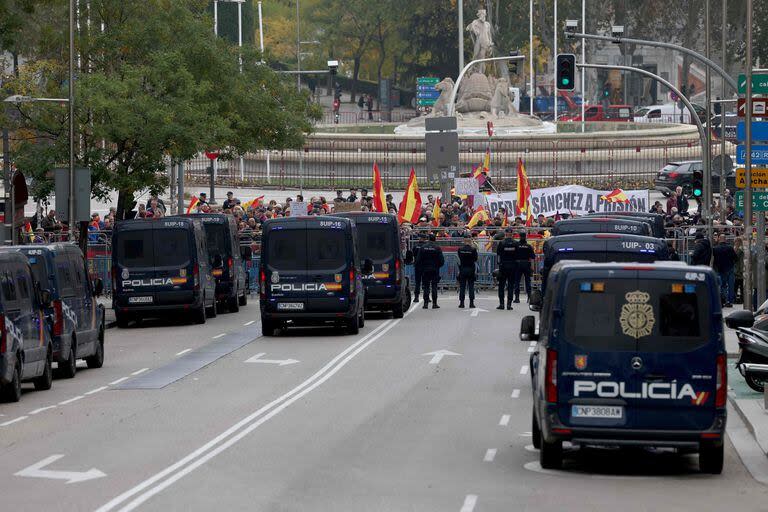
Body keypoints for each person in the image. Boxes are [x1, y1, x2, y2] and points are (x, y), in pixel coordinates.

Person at [415, 233, 444, 309]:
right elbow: (442, 261)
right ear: (435, 239)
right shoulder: (437, 248)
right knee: (434, 286)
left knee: (426, 286)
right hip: (434, 269)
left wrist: (422, 267)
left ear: (428, 239)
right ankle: (434, 304)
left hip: (425, 269)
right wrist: (437, 266)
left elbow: (418, 260)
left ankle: (425, 304)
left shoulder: (423, 247)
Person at [496, 227, 518, 310]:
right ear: (512, 234)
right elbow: (517, 255)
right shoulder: (515, 243)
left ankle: (501, 304)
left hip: (503, 266)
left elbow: (498, 256)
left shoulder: (502, 243)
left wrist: (499, 265)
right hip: (512, 266)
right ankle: (509, 304)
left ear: (505, 234)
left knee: (501, 285)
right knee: (511, 286)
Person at [712, 234, 737, 307]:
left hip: (720, 269)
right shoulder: (730, 248)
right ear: (725, 239)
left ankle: (724, 300)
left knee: (723, 286)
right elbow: (735, 258)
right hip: (730, 268)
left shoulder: (715, 248)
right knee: (731, 285)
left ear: (719, 239)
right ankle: (730, 301)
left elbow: (714, 260)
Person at [513, 230, 534, 303]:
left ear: (519, 237)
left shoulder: (516, 245)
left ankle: (517, 298)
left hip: (518, 264)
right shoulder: (529, 246)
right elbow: (533, 257)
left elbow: (513, 255)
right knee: (528, 281)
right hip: (526, 264)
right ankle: (529, 297)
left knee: (517, 281)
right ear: (526, 237)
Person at [457, 234, 478, 308]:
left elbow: (460, 257)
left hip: (463, 268)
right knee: (471, 286)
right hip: (471, 268)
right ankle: (471, 303)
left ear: (464, 241)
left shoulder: (460, 249)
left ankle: (462, 303)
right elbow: (475, 259)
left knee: (462, 286)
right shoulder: (473, 249)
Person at [412, 233, 426, 303]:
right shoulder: (425, 246)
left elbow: (413, 254)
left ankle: (416, 297)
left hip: (417, 265)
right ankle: (426, 297)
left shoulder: (415, 246)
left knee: (417, 282)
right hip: (424, 265)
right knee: (425, 282)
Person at [735, 237, 744, 304]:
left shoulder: (740, 250)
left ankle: (740, 299)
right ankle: (741, 298)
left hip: (738, 272)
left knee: (738, 286)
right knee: (740, 287)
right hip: (738, 271)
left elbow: (741, 262)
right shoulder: (738, 249)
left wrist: (741, 271)